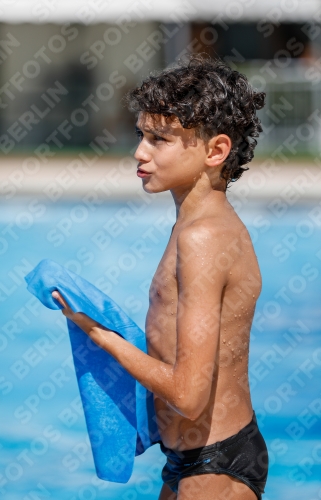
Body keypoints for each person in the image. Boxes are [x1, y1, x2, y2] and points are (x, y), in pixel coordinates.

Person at [52, 55, 268, 500]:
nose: (139, 152)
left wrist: (99, 334)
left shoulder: (204, 238)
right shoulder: (194, 227)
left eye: (159, 139)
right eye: (141, 135)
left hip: (214, 462)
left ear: (215, 151)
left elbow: (188, 395)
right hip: (195, 458)